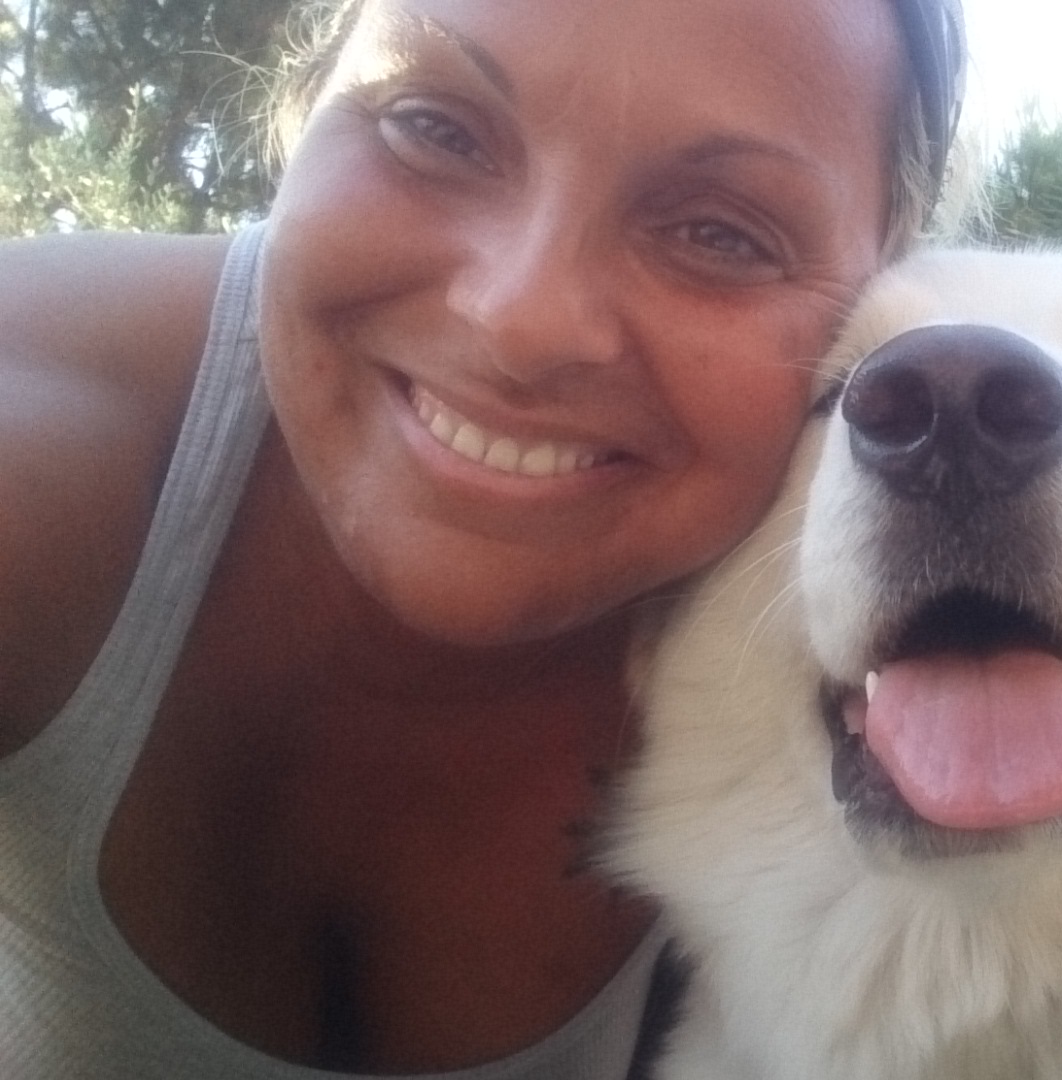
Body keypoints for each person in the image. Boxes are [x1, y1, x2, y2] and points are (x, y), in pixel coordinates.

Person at [0, 0, 963, 1075]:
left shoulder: (915, 660)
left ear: (886, 289)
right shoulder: (40, 430)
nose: (520, 321)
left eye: (720, 233)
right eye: (436, 129)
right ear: (310, 102)